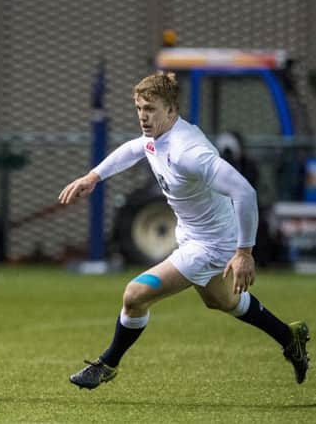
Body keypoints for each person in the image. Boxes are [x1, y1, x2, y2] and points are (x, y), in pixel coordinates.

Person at [58, 72, 309, 390]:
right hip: (192, 236)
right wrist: (93, 177)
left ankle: (107, 364)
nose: (143, 116)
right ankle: (290, 337)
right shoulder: (158, 136)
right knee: (221, 301)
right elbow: (137, 149)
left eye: (150, 109)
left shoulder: (188, 152)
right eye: (139, 108)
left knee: (135, 295)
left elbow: (244, 192)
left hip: (212, 245)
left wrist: (244, 252)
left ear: (172, 110)